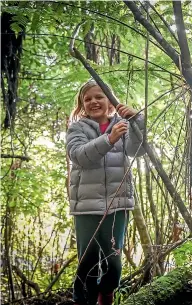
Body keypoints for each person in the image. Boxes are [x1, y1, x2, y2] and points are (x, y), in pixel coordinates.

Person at [66, 79, 146, 305]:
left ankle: (107, 295)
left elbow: (136, 151)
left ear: (110, 101)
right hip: (87, 207)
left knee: (114, 262)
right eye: (88, 99)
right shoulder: (77, 128)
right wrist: (109, 139)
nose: (93, 102)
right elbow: (79, 156)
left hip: (117, 204)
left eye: (99, 97)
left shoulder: (123, 124)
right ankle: (83, 301)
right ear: (82, 104)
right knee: (88, 262)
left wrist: (137, 120)